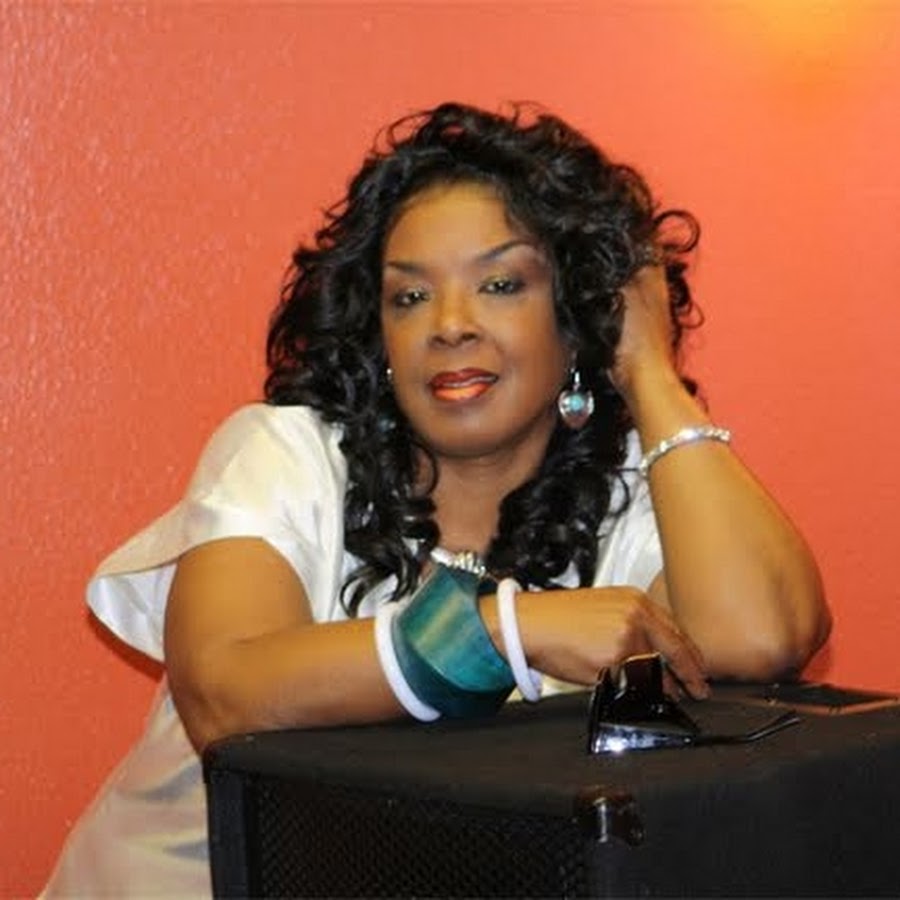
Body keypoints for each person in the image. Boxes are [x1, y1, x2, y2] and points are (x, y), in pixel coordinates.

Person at [43, 101, 830, 896]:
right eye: (410, 297)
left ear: (577, 316)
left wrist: (647, 372)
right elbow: (227, 695)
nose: (450, 326)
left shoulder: (631, 490)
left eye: (500, 284)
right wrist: (508, 632)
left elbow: (759, 636)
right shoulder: (288, 454)